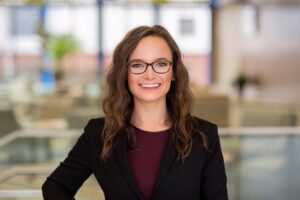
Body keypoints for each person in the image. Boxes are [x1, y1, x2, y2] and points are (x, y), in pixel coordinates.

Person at [42, 25, 228, 200]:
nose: (149, 74)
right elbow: (55, 187)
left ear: (173, 73)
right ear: (124, 73)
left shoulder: (204, 135)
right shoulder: (99, 134)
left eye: (161, 64)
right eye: (138, 65)